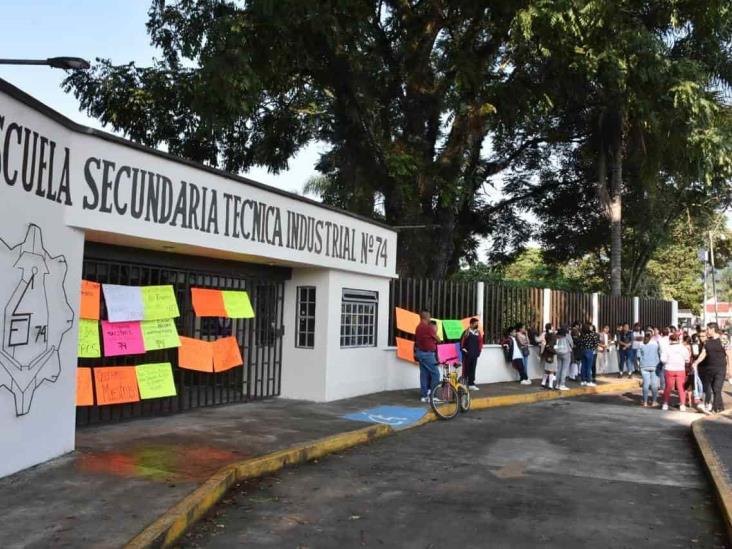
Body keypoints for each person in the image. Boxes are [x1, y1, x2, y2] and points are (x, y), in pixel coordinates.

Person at [692, 323, 729, 414]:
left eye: (708, 329)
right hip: (709, 369)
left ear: (713, 329)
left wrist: (730, 368)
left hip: (720, 368)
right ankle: (721, 408)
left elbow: (729, 354)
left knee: (717, 388)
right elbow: (703, 354)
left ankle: (715, 409)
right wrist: (696, 362)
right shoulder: (707, 342)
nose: (707, 331)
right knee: (715, 389)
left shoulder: (723, 339)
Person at [414, 310, 440, 402]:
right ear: (426, 317)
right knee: (436, 374)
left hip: (420, 353)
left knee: (424, 374)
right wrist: (436, 333)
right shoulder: (428, 328)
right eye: (429, 316)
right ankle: (433, 396)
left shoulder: (418, 327)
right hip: (428, 354)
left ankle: (424, 396)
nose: (430, 318)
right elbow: (438, 339)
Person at [660, 333, 689, 411]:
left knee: (668, 387)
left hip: (669, 369)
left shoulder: (666, 348)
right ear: (678, 340)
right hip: (680, 369)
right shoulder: (683, 348)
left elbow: (663, 359)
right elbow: (687, 359)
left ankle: (665, 404)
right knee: (681, 388)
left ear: (670, 340)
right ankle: (682, 405)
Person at [460, 317, 483, 391]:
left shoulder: (478, 333)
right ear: (471, 324)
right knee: (465, 369)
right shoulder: (466, 332)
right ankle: (464, 384)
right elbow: (462, 343)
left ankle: (471, 384)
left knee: (473, 369)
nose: (477, 325)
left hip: (474, 354)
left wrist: (479, 352)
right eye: (475, 323)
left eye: (477, 323)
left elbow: (480, 343)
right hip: (467, 355)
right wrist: (464, 351)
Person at [639, 332, 660, 407]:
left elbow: (638, 355)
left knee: (646, 384)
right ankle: (654, 402)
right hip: (654, 365)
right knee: (654, 384)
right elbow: (659, 353)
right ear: (651, 336)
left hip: (644, 365)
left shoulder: (641, 344)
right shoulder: (656, 343)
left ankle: (645, 402)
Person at [554, 326, 573, 390]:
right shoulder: (568, 336)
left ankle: (557, 384)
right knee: (564, 369)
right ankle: (562, 384)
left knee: (559, 369)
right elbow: (572, 344)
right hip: (566, 353)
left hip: (558, 353)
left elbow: (555, 345)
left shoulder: (557, 336)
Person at [538, 323, 557, 389]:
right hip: (552, 353)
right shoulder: (553, 335)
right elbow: (553, 343)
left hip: (546, 353)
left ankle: (543, 382)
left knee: (546, 369)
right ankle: (550, 385)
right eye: (552, 326)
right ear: (551, 327)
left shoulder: (545, 334)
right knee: (551, 369)